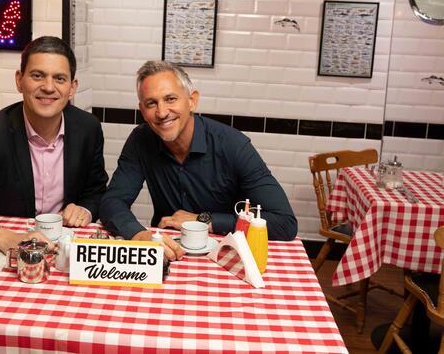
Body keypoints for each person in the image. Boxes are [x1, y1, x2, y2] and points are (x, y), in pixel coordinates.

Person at [99, 61, 297, 261]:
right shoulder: (141, 140)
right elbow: (112, 202)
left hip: (226, 255)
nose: (162, 112)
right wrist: (138, 234)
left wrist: (205, 220)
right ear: (142, 110)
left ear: (192, 101)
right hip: (170, 254)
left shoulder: (233, 144)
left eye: (170, 99)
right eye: (151, 103)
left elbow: (284, 223)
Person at [0, 36, 108, 254]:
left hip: (65, 249)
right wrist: (4, 238)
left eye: (59, 78)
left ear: (72, 88)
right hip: (6, 249)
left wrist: (85, 209)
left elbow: (97, 191)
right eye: (37, 76)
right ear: (19, 80)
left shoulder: (88, 129)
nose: (49, 87)